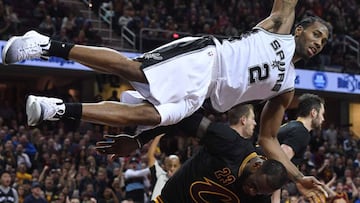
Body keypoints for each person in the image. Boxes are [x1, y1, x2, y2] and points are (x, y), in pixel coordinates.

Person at [2, 0, 331, 195]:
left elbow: (269, 139)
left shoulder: (287, 87)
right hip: (207, 58)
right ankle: (45, 44)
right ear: (300, 30)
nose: (318, 43)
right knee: (135, 71)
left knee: (150, 117)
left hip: (203, 94)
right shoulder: (279, 27)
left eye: (324, 42)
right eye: (316, 34)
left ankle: (57, 109)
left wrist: (298, 177)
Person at [99, 104, 326, 202]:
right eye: (254, 186)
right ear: (257, 166)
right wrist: (139, 140)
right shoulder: (231, 144)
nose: (251, 192)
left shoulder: (260, 197)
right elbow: (182, 117)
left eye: (260, 193)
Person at [267, 93, 326, 202]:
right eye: (322, 114)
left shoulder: (293, 126)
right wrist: (275, 200)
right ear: (313, 113)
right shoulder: (301, 132)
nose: (323, 119)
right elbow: (278, 165)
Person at [147, 134, 181, 200]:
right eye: (170, 165)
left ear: (179, 167)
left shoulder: (182, 180)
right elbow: (150, 156)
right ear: (165, 166)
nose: (172, 168)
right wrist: (157, 137)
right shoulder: (160, 174)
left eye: (175, 166)